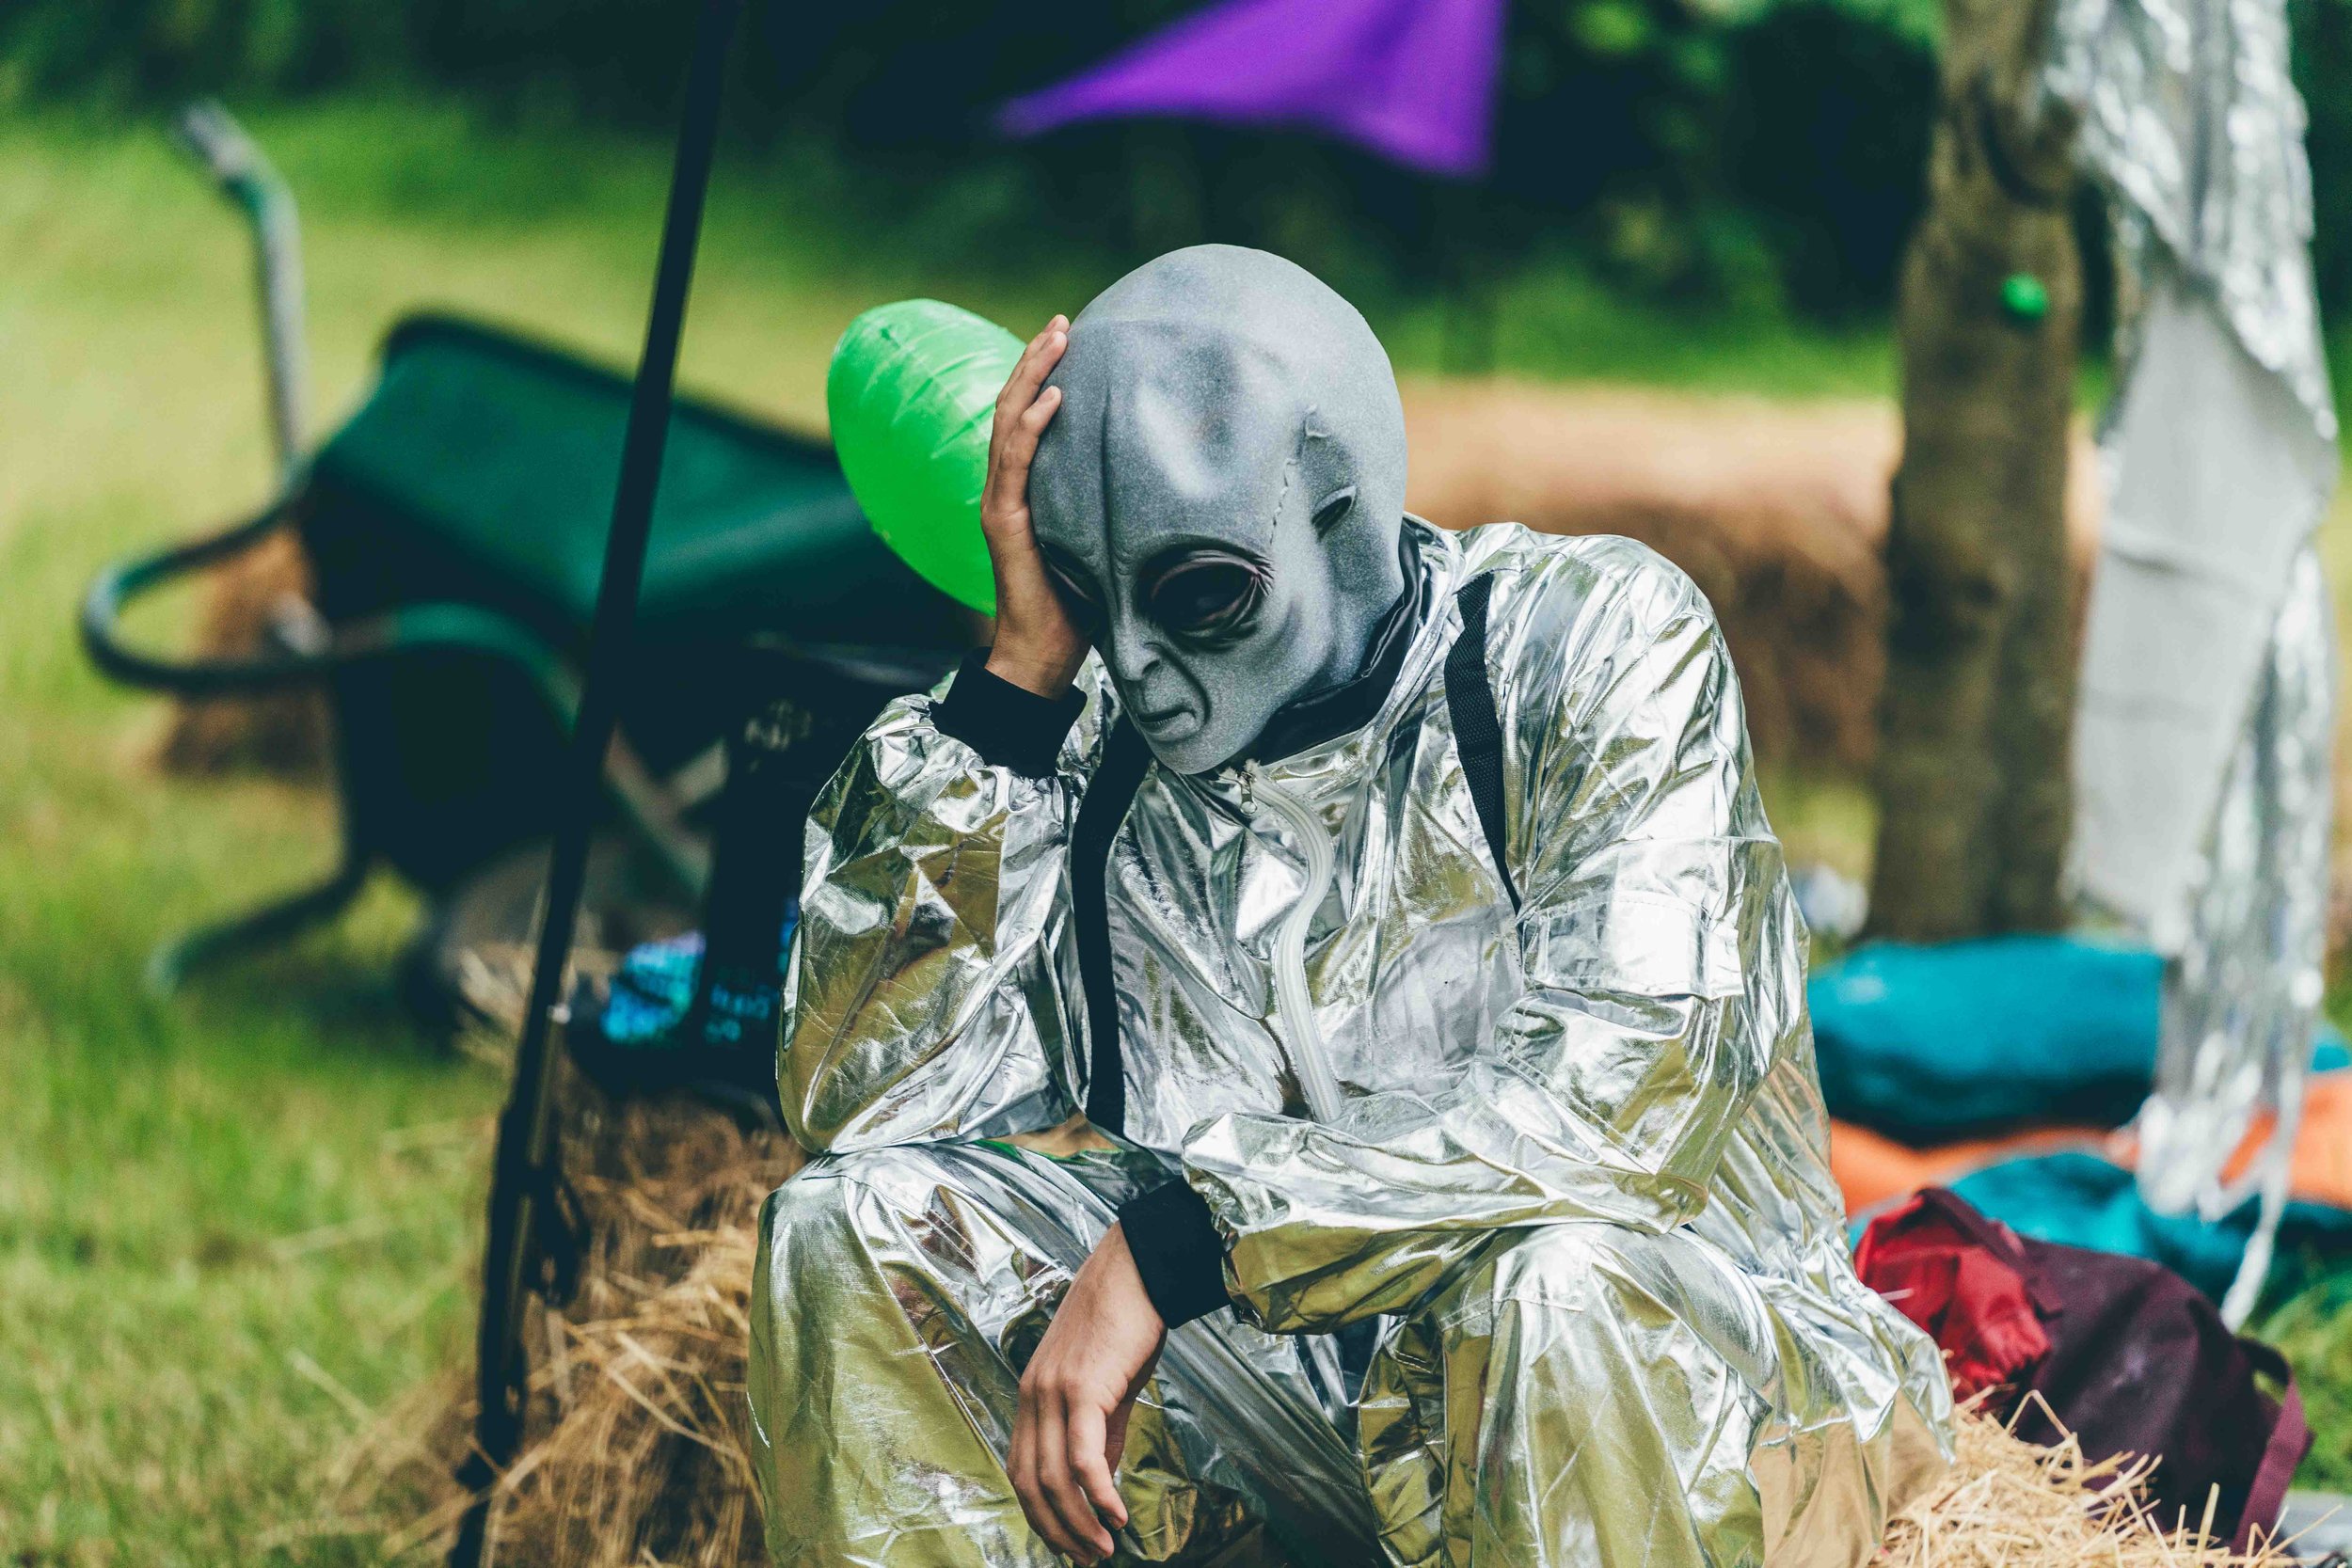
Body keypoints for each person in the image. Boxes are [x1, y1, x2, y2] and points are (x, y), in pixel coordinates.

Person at [748, 245, 1949, 1568]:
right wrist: (1020, 679)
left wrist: (1181, 1243)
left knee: (1551, 1292)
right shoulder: (1090, 731)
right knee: (846, 1228)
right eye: (1102, 594)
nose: (1142, 663)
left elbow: (1622, 1103)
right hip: (1306, 1397)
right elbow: (859, 1105)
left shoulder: (1586, 641)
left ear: (1336, 512)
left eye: (1201, 593)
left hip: (1677, 1380)